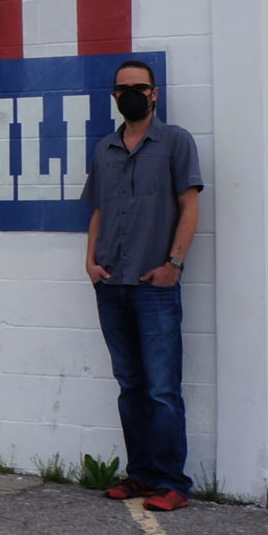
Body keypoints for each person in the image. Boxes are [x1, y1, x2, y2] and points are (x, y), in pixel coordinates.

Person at [82, 58, 203, 511]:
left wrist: (174, 263)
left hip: (154, 286)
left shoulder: (175, 142)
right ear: (114, 96)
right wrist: (90, 261)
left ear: (154, 93)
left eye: (139, 86)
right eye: (122, 87)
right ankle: (140, 475)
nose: (130, 93)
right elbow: (97, 209)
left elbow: (189, 207)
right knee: (130, 384)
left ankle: (172, 483)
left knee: (161, 388)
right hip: (111, 284)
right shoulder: (105, 148)